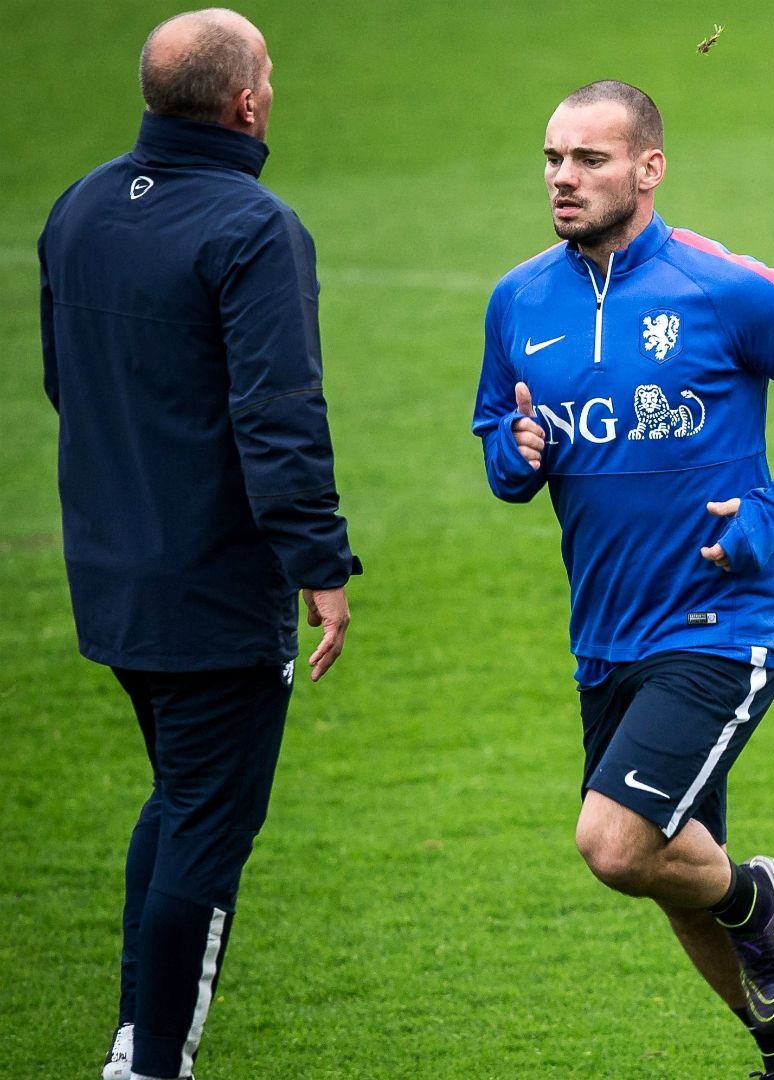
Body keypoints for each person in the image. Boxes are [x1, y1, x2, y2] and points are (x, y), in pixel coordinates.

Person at [471, 80, 774, 1080]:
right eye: (553, 159)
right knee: (664, 870)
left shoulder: (723, 288)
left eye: (590, 160)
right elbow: (496, 442)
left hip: (717, 624)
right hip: (604, 635)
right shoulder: (520, 299)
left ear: (649, 169)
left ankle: (755, 899)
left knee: (616, 844)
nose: (564, 178)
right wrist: (516, 452)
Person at [38, 9, 360, 1080]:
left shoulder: (78, 207)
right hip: (215, 588)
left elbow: (63, 386)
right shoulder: (254, 228)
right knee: (210, 828)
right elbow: (280, 419)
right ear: (247, 101)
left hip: (109, 574)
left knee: (179, 797)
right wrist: (319, 564)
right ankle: (155, 1061)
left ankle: (139, 1037)